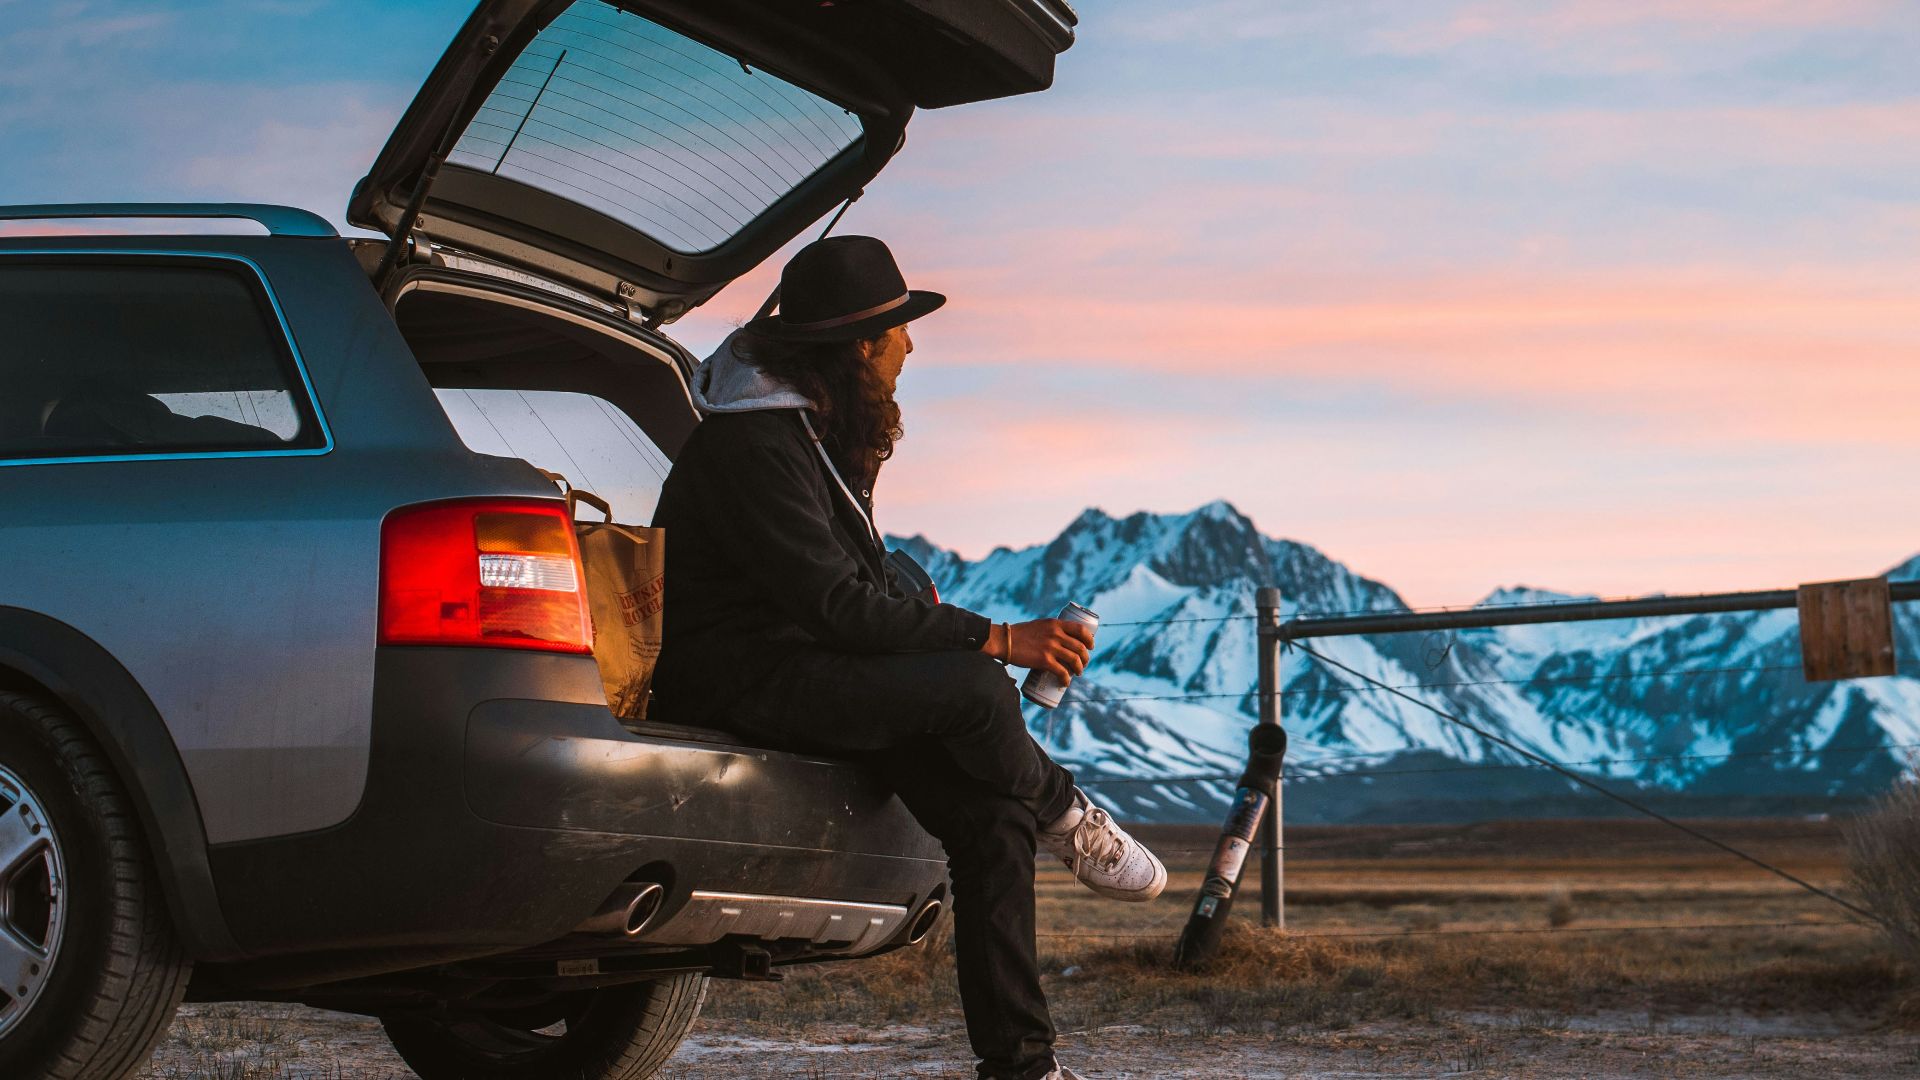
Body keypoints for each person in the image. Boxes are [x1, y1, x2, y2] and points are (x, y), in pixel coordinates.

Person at [650, 235, 1166, 1080]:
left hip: (812, 671)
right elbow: (834, 607)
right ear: (859, 345)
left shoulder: (819, 433)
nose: (910, 347)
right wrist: (997, 639)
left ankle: (1022, 1066)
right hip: (739, 680)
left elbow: (860, 595)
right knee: (972, 688)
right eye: (898, 331)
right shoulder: (756, 447)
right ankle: (1069, 815)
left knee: (992, 821)